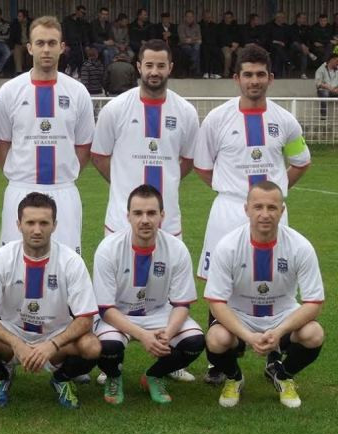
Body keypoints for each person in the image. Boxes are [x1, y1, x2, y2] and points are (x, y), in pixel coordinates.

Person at [194, 44, 311, 384]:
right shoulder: (217, 119)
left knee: (274, 276)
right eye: (248, 74)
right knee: (219, 283)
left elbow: (301, 162)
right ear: (237, 78)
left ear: (270, 78)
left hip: (272, 215)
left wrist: (274, 196)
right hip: (229, 209)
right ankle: (221, 363)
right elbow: (203, 166)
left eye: (260, 74)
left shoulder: (285, 121)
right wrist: (239, 197)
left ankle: (273, 352)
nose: (254, 81)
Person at [91, 39, 199, 383]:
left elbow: (187, 160)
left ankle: (171, 359)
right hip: (121, 221)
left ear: (170, 68)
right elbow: (100, 156)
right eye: (148, 65)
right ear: (138, 67)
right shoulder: (116, 109)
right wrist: (129, 196)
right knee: (116, 293)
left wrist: (159, 197)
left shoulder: (185, 111)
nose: (154, 71)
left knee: (166, 293)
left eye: (160, 65)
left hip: (167, 221)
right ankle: (112, 360)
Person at [0, 193, 101, 409]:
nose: (37, 230)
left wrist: (52, 345)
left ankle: (61, 379)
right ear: (18, 225)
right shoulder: (1, 258)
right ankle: (2, 377)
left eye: (44, 223)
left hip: (54, 334)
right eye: (30, 223)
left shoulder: (71, 261)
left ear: (54, 225)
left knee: (92, 346)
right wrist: (16, 343)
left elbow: (85, 319)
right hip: (13, 333)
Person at [204, 181, 324, 408]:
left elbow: (314, 302)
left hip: (282, 318)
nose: (265, 214)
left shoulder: (300, 246)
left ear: (282, 210)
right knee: (216, 339)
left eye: (272, 207)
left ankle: (283, 376)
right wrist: (249, 337)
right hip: (241, 317)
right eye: (258, 207)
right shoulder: (228, 246)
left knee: (314, 334)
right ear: (246, 209)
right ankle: (234, 378)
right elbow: (216, 302)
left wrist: (279, 332)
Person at [94, 185, 204, 405]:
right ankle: (114, 376)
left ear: (162, 215)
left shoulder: (176, 248)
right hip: (118, 314)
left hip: (158, 313)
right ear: (128, 216)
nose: (145, 220)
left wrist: (168, 334)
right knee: (107, 346)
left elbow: (182, 304)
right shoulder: (108, 249)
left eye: (151, 213)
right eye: (138, 213)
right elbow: (105, 308)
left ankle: (154, 375)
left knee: (194, 341)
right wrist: (143, 336)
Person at [0, 16, 94, 255]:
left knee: (66, 265)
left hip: (64, 191)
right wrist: (21, 173)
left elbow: (84, 146)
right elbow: (1, 144)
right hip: (20, 189)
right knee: (15, 264)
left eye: (52, 43)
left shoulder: (78, 92)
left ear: (62, 47)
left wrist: (65, 174)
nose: (46, 49)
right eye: (40, 43)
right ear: (30, 48)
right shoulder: (10, 91)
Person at [61, 5, 90, 77]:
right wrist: (65, 44)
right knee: (69, 58)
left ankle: (79, 74)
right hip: (69, 44)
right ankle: (69, 73)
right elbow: (63, 33)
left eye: (84, 13)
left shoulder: (82, 22)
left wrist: (87, 45)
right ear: (77, 11)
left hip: (79, 44)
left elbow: (85, 34)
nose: (83, 15)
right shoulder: (67, 20)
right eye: (82, 12)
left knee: (81, 57)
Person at [289, 12, 317, 79]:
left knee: (304, 52)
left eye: (305, 18)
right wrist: (302, 45)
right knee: (296, 44)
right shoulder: (292, 27)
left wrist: (306, 46)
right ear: (298, 19)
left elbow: (309, 38)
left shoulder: (306, 28)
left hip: (303, 48)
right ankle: (309, 53)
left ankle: (303, 73)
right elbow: (293, 38)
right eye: (303, 18)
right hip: (292, 47)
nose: (304, 20)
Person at [266, 12, 291, 78]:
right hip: (271, 46)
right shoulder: (269, 26)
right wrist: (277, 42)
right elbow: (266, 38)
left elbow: (289, 38)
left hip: (283, 47)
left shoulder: (286, 27)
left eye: (284, 18)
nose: (283, 19)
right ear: (277, 18)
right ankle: (287, 61)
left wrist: (284, 43)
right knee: (277, 48)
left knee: (278, 53)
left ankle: (276, 73)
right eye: (281, 17)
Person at [178, 10, 201, 77]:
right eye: (188, 16)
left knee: (197, 47)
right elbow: (182, 39)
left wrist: (190, 39)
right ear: (185, 17)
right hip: (184, 45)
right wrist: (194, 39)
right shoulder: (181, 26)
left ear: (193, 17)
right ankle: (195, 69)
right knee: (193, 49)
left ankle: (192, 65)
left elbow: (199, 38)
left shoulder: (197, 26)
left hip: (194, 45)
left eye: (191, 16)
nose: (190, 18)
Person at [315, 53, 338, 119]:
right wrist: (328, 87)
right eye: (337, 61)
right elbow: (318, 83)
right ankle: (323, 116)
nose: (337, 63)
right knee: (324, 93)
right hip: (324, 90)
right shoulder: (321, 69)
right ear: (332, 60)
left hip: (335, 90)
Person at [200, 10, 222, 79]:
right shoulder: (199, 25)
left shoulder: (215, 26)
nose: (207, 18)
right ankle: (206, 72)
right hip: (203, 44)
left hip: (213, 44)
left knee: (217, 51)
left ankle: (215, 72)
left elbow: (218, 37)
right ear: (203, 17)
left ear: (211, 17)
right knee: (206, 51)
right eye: (206, 17)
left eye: (209, 17)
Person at [218, 11, 241, 78]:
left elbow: (240, 36)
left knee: (242, 54)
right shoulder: (220, 26)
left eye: (229, 17)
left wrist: (237, 44)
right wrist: (231, 44)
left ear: (232, 18)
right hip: (225, 46)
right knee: (228, 55)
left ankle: (236, 72)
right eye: (226, 17)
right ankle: (226, 73)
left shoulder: (236, 26)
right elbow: (221, 39)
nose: (227, 19)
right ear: (224, 18)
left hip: (236, 46)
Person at [9, 9, 32, 75]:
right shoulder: (15, 24)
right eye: (18, 16)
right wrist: (11, 48)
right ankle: (19, 71)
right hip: (20, 44)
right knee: (17, 50)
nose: (18, 18)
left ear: (25, 17)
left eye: (20, 16)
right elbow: (12, 37)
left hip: (30, 44)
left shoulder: (31, 23)